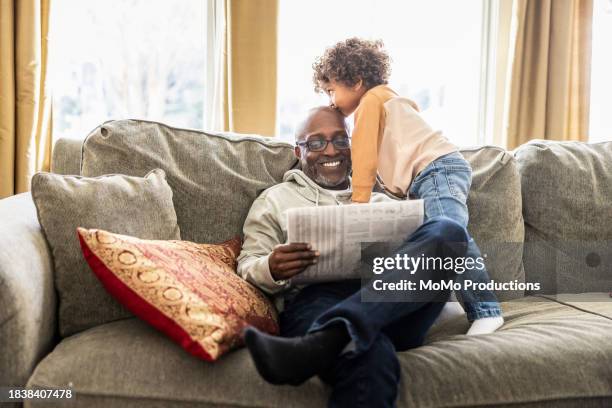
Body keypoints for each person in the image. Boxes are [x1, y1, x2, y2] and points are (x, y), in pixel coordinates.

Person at [238, 106, 470, 407]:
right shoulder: (274, 200)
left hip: (392, 303)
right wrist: (272, 267)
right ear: (299, 150)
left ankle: (325, 342)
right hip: (317, 301)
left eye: (340, 140)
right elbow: (247, 265)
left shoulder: (383, 200)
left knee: (448, 231)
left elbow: (429, 263)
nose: (330, 150)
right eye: (317, 142)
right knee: (369, 357)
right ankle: (342, 333)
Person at [312, 37, 504, 335]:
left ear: (356, 81)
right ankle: (443, 301)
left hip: (436, 169)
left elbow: (364, 158)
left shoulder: (371, 103)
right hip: (429, 174)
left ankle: (486, 309)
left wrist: (359, 204)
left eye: (331, 91)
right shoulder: (389, 100)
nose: (331, 101)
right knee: (430, 243)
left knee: (452, 234)